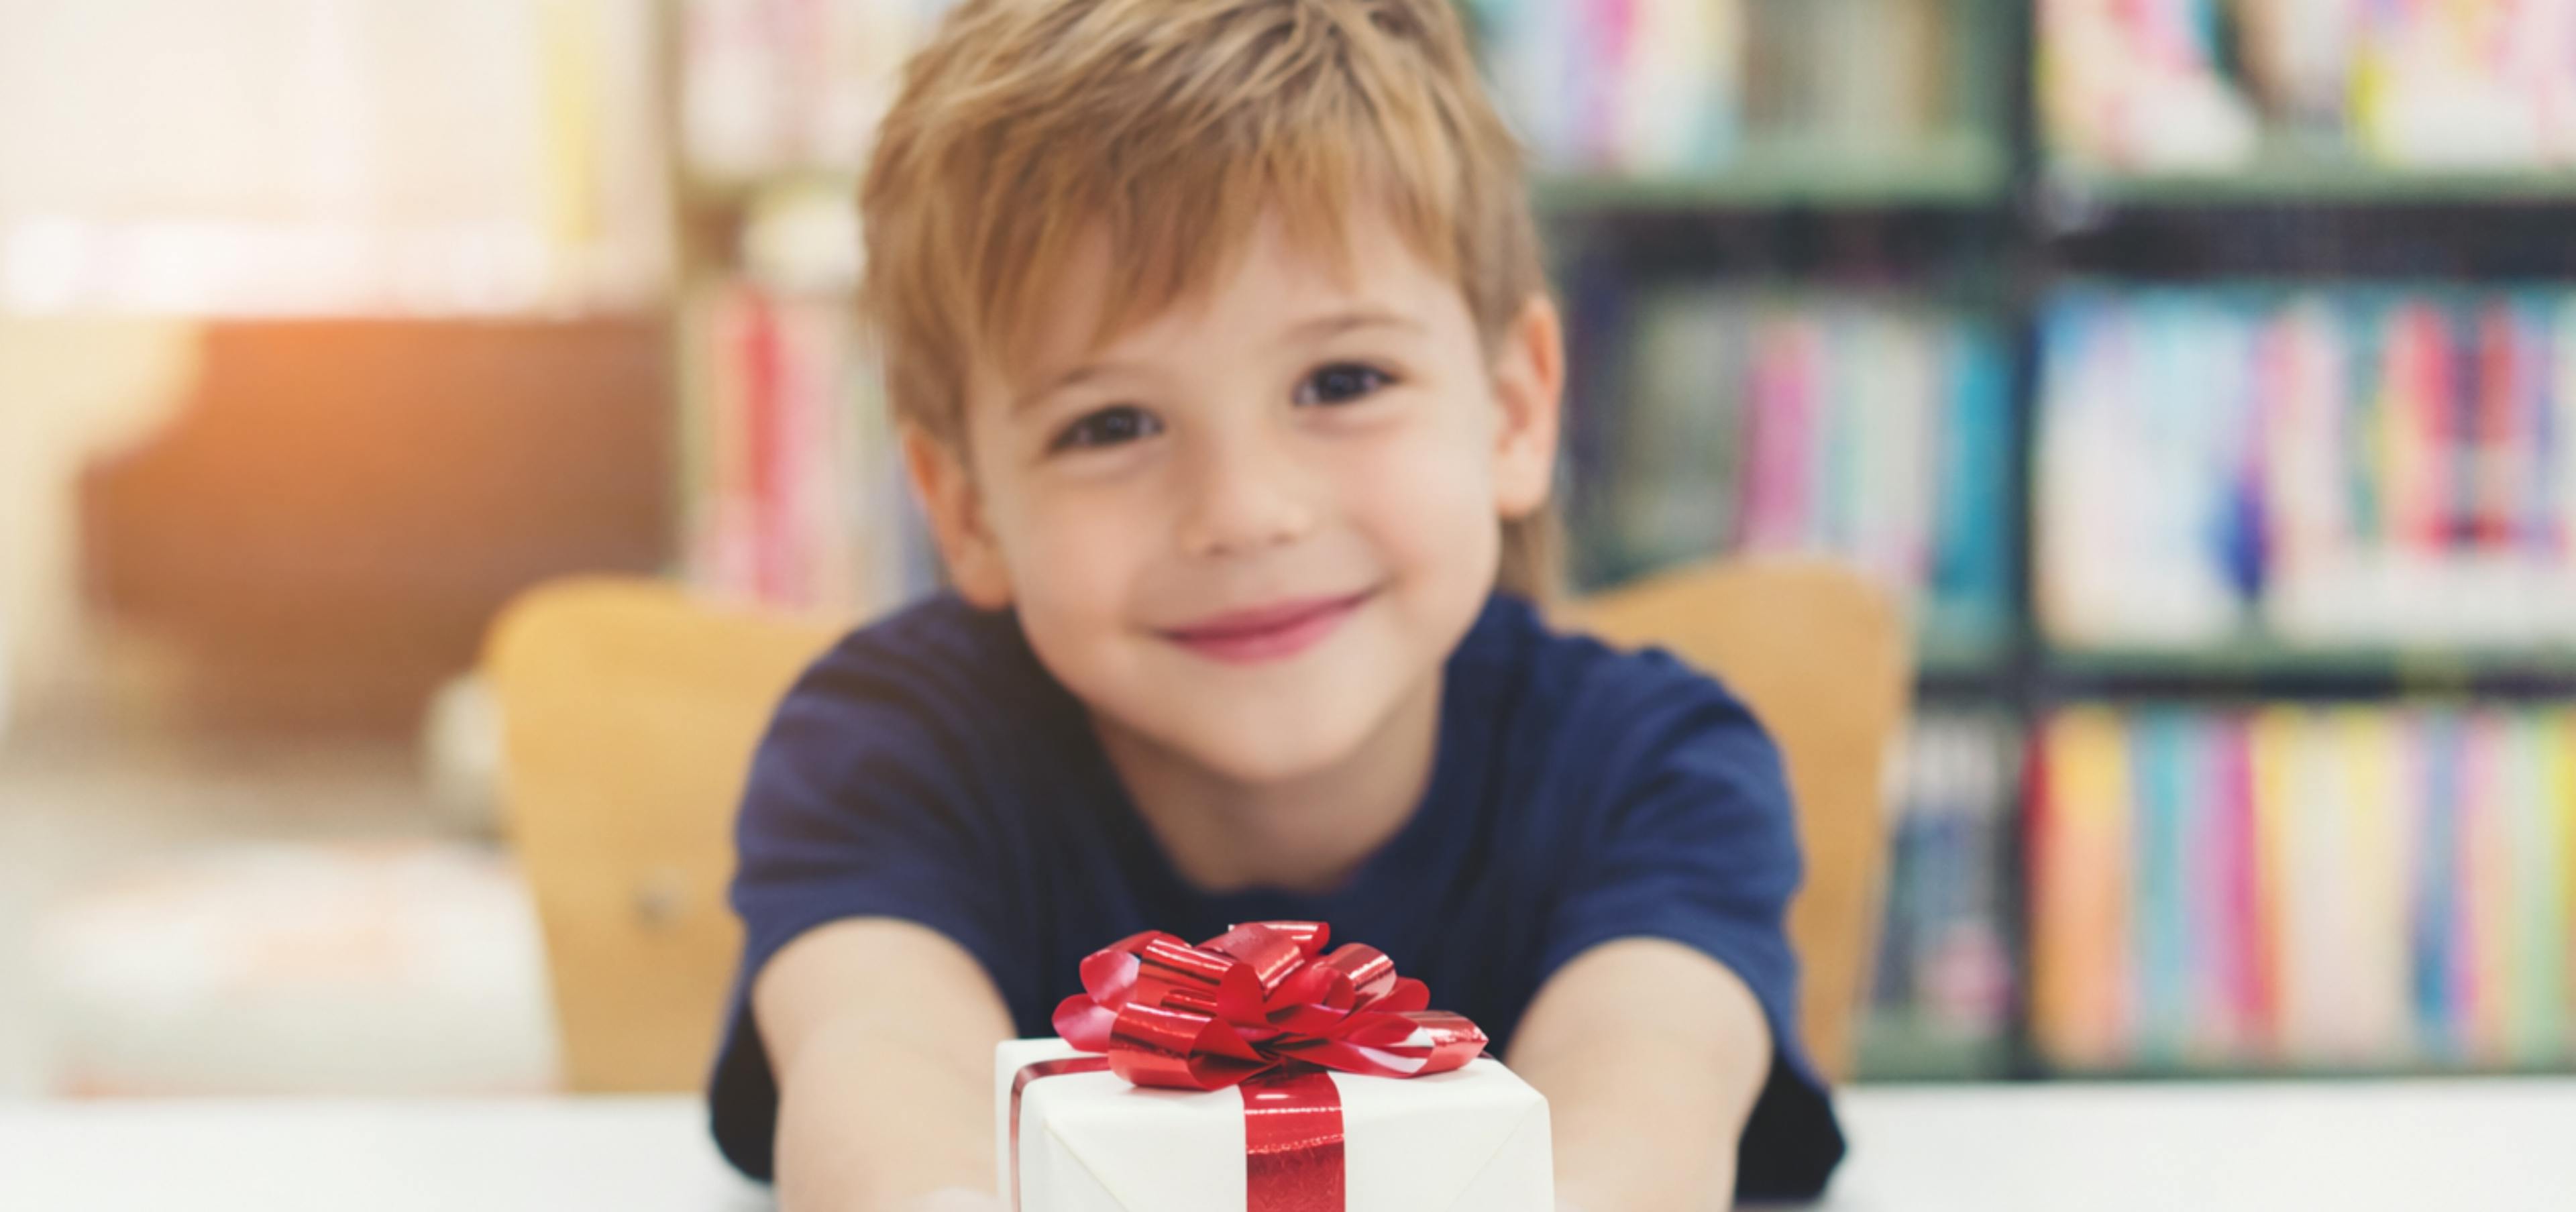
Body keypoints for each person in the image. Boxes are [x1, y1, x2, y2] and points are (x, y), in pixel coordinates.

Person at [708, 2, 1845, 1209]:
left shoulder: (1658, 770)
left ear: (1514, 410)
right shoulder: (885, 749)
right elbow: (881, 1091)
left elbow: (1639, 1125)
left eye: (1342, 381)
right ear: (968, 508)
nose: (1245, 512)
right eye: (1111, 425)